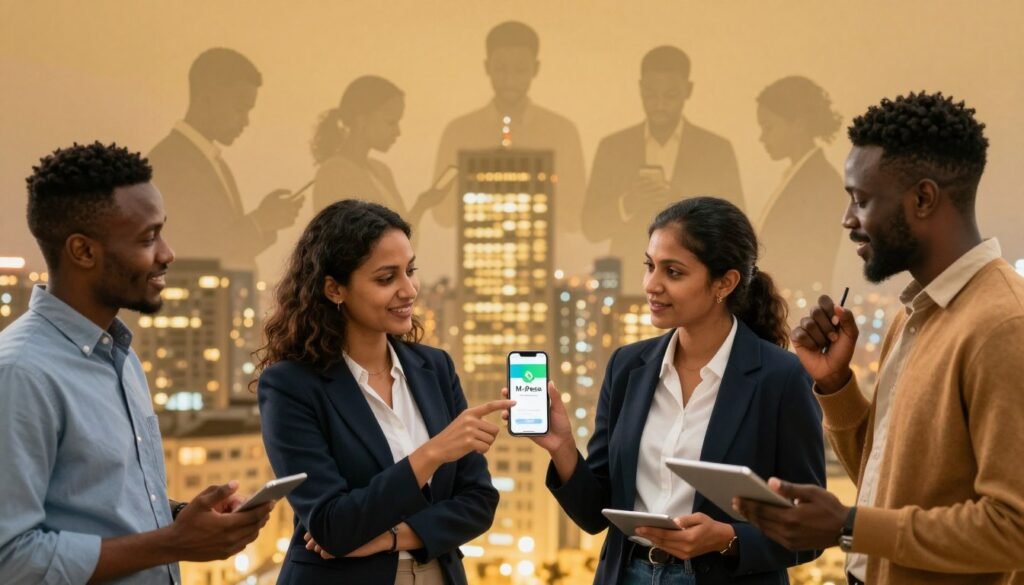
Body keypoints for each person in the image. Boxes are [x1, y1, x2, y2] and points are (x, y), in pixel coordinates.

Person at [735, 92, 1024, 585]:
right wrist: (835, 386)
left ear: (923, 198)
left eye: (861, 200)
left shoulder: (1002, 326)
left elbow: (1014, 528)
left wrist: (848, 525)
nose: (848, 220)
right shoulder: (915, 314)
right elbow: (886, 480)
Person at [0, 142, 275, 583]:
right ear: (83, 252)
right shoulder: (20, 374)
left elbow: (99, 505)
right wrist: (175, 542)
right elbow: (11, 560)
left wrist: (186, 517)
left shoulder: (120, 358)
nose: (166, 253)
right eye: (148, 238)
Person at [512, 197, 824, 584]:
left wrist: (727, 539)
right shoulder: (628, 367)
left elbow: (812, 529)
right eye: (649, 266)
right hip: (627, 574)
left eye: (673, 272)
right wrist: (561, 446)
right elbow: (595, 515)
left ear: (724, 283)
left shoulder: (781, 377)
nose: (651, 285)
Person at [256, 199, 510, 585]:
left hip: (436, 575)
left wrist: (391, 538)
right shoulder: (291, 386)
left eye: (410, 271)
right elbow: (331, 526)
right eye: (386, 278)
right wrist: (432, 453)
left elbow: (478, 502)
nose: (409, 290)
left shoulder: (434, 368)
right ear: (334, 288)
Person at [430, 21, 589, 274]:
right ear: (487, 68)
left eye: (520, 69)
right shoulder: (459, 132)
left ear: (535, 69)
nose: (510, 79)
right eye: (501, 68)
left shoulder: (562, 132)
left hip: (546, 265)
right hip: (480, 265)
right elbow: (442, 214)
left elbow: (577, 214)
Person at [583, 46, 744, 294]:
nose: (659, 104)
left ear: (687, 91)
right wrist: (628, 203)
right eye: (650, 94)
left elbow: (735, 229)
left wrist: (682, 205)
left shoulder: (716, 150)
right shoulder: (613, 148)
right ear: (639, 89)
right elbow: (591, 227)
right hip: (626, 286)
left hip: (694, 290)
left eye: (669, 95)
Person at [148, 47, 302, 272]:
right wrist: (258, 222)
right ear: (207, 98)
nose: (246, 121)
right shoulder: (171, 161)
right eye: (240, 108)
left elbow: (223, 244)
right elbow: (190, 250)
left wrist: (265, 222)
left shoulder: (209, 160)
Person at [311, 76, 444, 231]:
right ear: (362, 120)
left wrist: (421, 206)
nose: (398, 131)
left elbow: (402, 241)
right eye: (390, 122)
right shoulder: (334, 173)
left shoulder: (381, 171)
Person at [755, 76, 847, 297]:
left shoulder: (820, 183)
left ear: (798, 125)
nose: (762, 137)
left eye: (768, 127)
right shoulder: (802, 176)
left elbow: (808, 262)